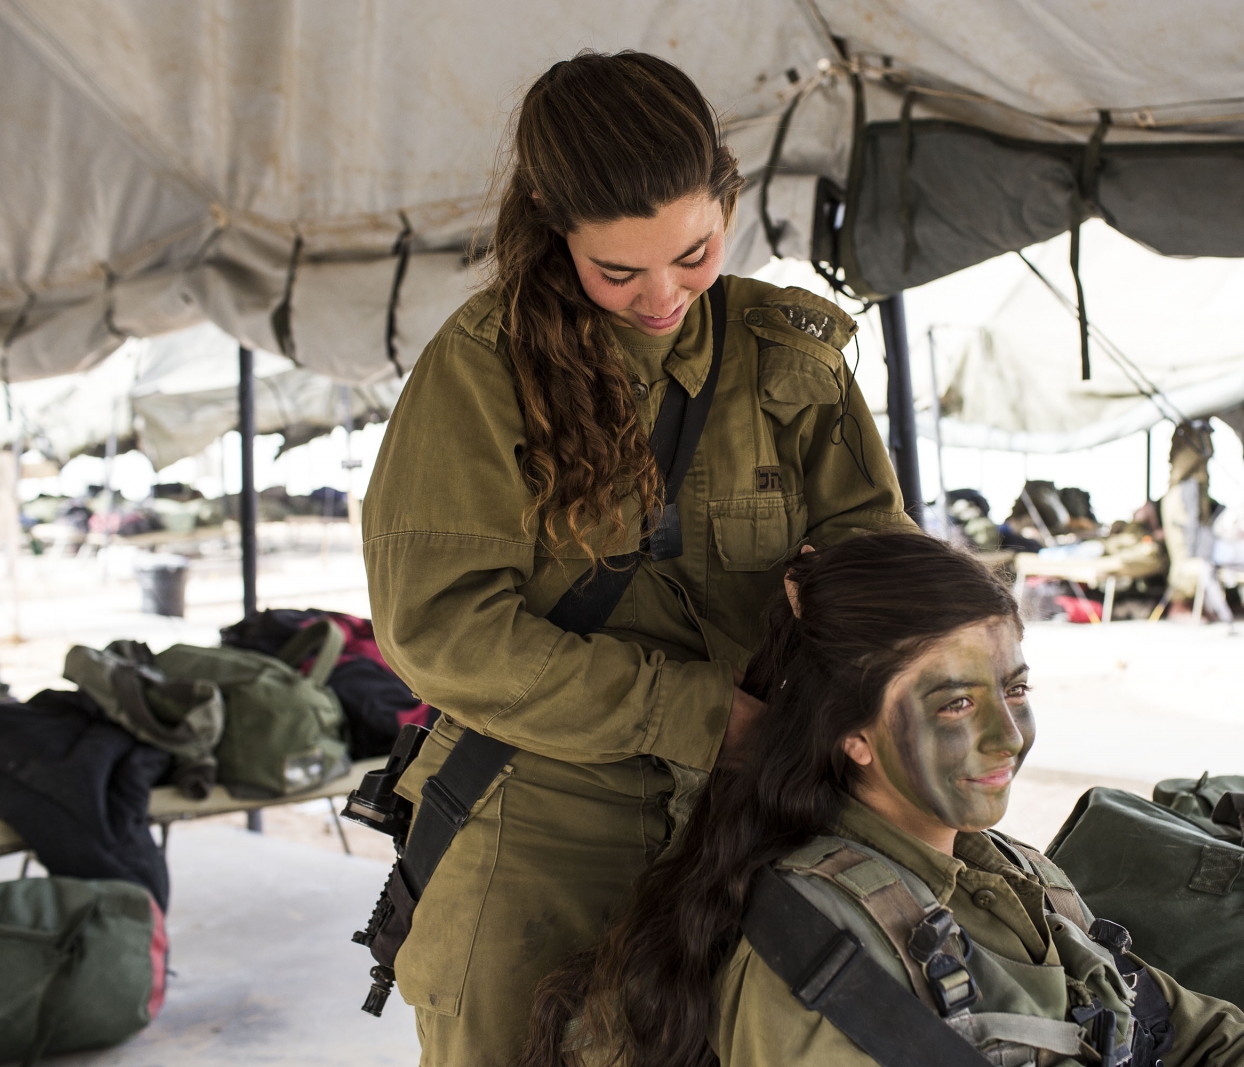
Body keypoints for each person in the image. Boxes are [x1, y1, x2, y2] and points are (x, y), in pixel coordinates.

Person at [360, 51, 913, 1066]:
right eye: (617, 270)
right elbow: (441, 629)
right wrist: (702, 712)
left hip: (742, 820)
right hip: (538, 822)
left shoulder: (786, 358)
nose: (663, 294)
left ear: (730, 200)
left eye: (696, 252)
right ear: (549, 218)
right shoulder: (482, 370)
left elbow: (882, 570)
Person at [518, 532, 1244, 1067]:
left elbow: (1189, 1026)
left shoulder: (1010, 874)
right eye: (956, 705)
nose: (1009, 736)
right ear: (853, 732)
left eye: (1016, 687)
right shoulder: (817, 948)